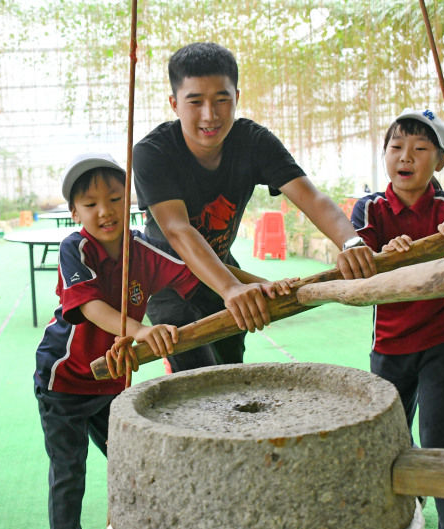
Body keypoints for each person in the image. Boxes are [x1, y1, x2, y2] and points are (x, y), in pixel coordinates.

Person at [133, 41, 375, 372]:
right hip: (167, 280)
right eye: (195, 102)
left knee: (231, 364)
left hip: (222, 267)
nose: (210, 115)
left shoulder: (253, 141)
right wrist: (233, 288)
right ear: (175, 104)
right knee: (197, 374)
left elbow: (310, 197)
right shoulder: (153, 152)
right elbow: (177, 229)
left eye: (222, 100)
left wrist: (350, 241)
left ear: (237, 99)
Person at [34, 153, 205, 529]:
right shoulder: (76, 248)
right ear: (74, 213)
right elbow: (90, 308)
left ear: (128, 199)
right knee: (69, 478)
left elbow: (200, 280)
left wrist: (253, 288)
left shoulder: (142, 252)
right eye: (90, 204)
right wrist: (143, 330)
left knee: (140, 470)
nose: (104, 210)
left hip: (113, 385)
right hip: (64, 382)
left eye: (114, 198)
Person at [349, 109, 444, 529]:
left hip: (443, 341)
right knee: (390, 448)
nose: (406, 157)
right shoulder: (370, 209)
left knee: (439, 445)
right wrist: (387, 254)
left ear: (439, 160)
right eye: (397, 147)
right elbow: (359, 261)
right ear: (385, 155)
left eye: (420, 150)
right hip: (390, 347)